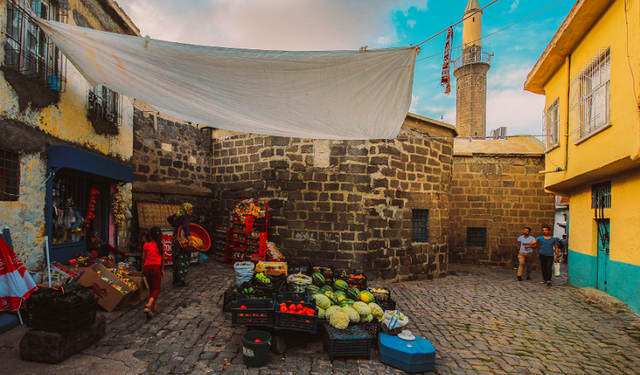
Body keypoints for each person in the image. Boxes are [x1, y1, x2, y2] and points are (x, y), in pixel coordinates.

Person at [167, 203, 194, 287]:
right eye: (190, 209)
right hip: (182, 240)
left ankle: (175, 279)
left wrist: (175, 227)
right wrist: (189, 239)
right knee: (183, 259)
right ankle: (181, 280)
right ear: (186, 209)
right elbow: (186, 228)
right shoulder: (185, 217)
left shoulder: (177, 215)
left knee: (176, 259)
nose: (192, 211)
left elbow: (169, 218)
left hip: (175, 239)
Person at [142, 227, 165, 319]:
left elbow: (143, 258)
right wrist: (162, 269)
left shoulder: (146, 245)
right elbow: (163, 259)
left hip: (147, 267)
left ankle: (154, 305)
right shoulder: (161, 246)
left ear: (150, 236)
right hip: (156, 267)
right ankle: (149, 304)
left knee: (151, 286)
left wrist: (143, 269)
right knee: (157, 288)